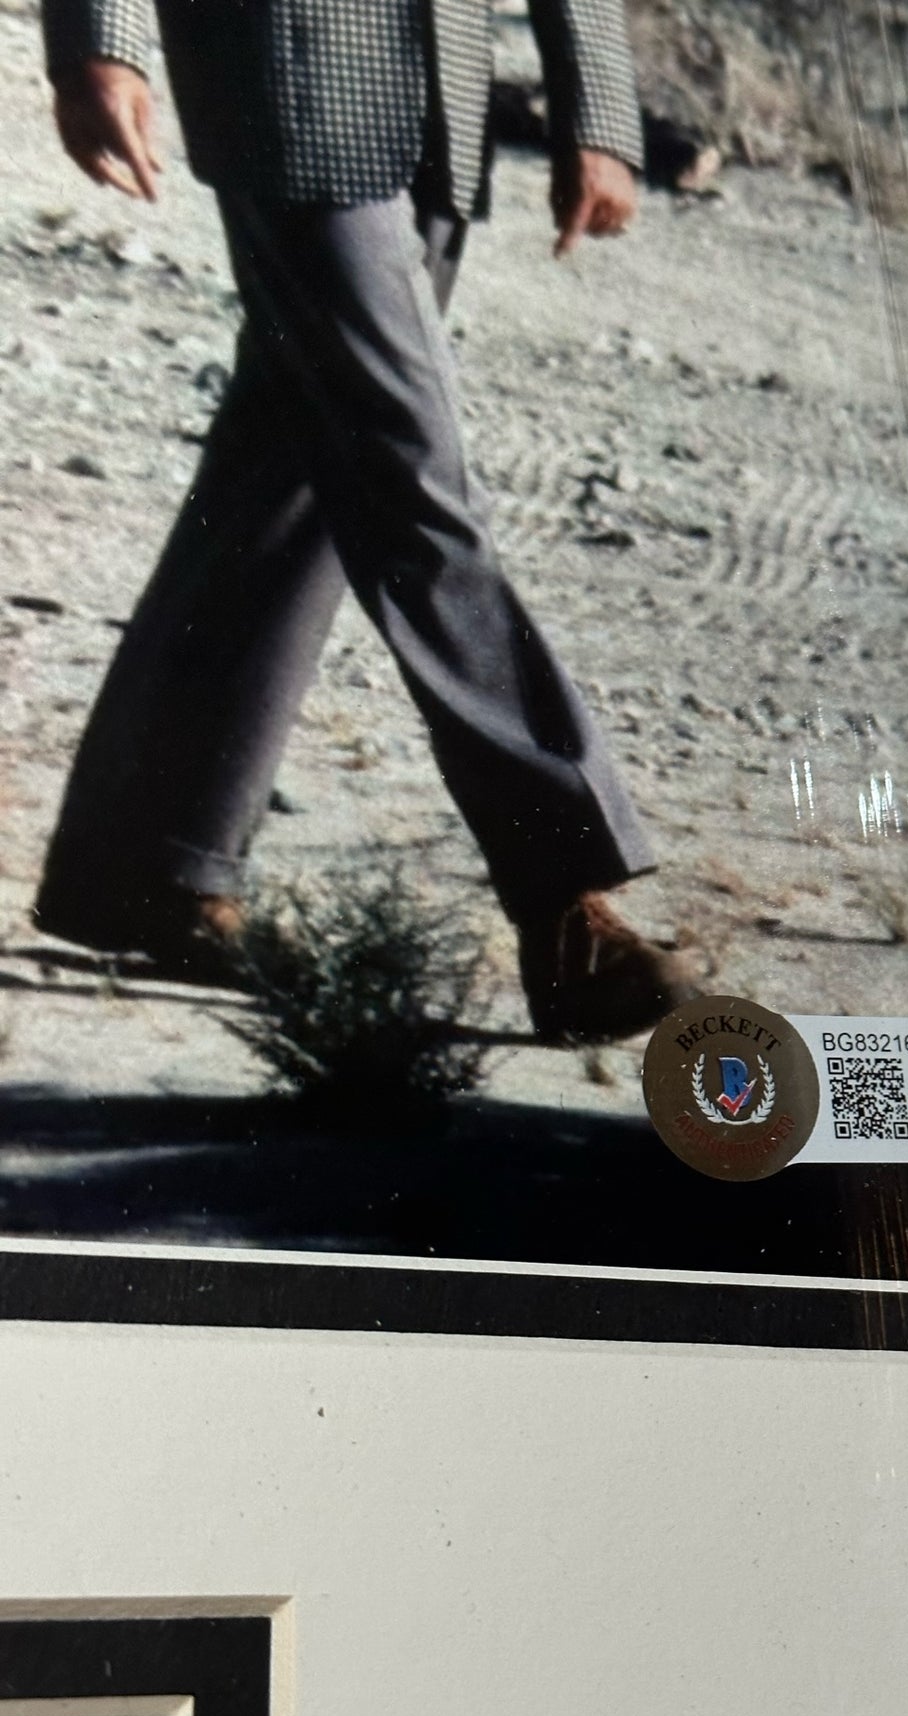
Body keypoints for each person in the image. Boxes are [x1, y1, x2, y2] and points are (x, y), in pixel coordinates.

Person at [31, 0, 695, 1043]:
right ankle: (561, 900)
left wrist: (597, 107)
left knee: (294, 464)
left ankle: (150, 862)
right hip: (282, 66)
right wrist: (98, 45)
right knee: (411, 475)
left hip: (441, 81)